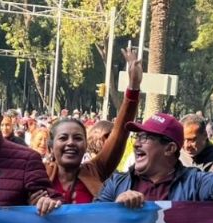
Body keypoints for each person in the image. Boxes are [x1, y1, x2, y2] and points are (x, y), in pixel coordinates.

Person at [96, 112, 213, 205]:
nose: (137, 144)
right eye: (137, 137)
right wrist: (115, 208)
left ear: (170, 148)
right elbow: (92, 222)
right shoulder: (116, 184)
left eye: (145, 138)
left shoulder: (196, 183)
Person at [45, 48, 141, 204]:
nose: (70, 143)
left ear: (85, 145)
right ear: (50, 147)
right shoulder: (38, 174)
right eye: (63, 138)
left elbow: (119, 134)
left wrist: (133, 88)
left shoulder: (95, 170)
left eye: (77, 138)